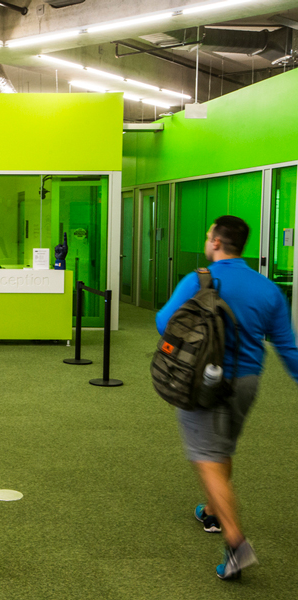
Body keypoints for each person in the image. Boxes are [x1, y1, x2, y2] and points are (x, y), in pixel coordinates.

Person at [156, 215, 298, 580]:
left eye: (208, 236)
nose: (207, 241)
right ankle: (213, 512)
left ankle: (236, 544)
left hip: (203, 381)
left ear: (217, 242)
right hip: (247, 382)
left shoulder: (200, 280)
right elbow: (287, 347)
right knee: (223, 449)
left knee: (206, 458)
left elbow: (163, 322)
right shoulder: (268, 289)